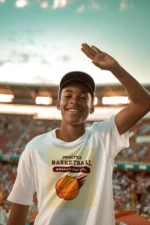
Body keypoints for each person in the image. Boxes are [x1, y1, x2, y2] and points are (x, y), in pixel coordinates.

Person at [6, 43, 150, 225]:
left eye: (83, 97)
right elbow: (20, 203)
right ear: (58, 103)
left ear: (92, 107)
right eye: (68, 95)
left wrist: (115, 68)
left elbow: (144, 102)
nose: (75, 100)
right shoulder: (36, 146)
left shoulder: (103, 136)